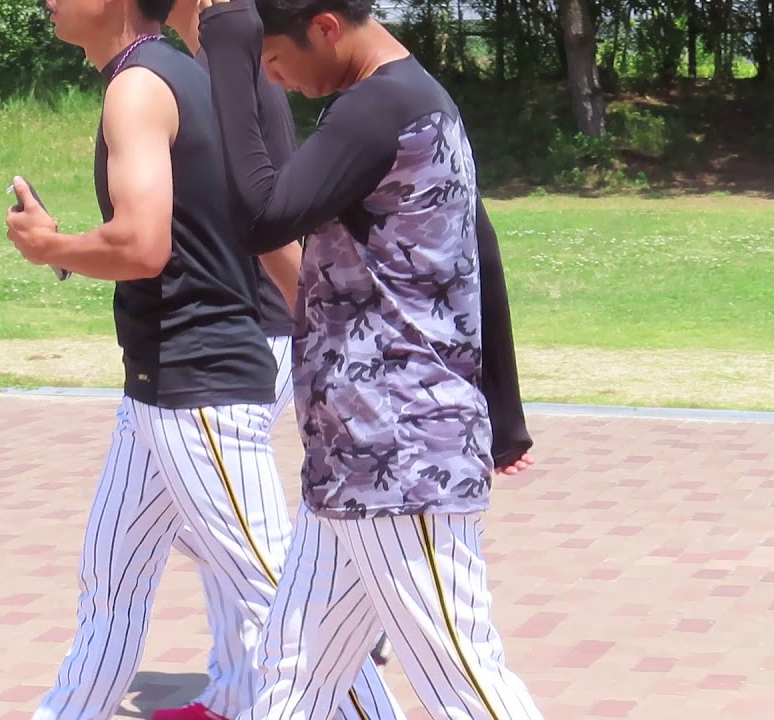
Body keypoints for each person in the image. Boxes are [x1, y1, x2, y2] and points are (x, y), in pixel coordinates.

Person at [3, 0, 405, 717]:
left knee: (279, 601)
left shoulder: (139, 86)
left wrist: (49, 247)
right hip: (158, 386)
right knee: (111, 584)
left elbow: (142, 245)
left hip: (199, 388)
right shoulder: (180, 74)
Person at [196, 0, 546, 717]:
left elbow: (262, 216)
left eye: (275, 59)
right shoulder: (416, 100)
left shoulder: (378, 109)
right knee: (294, 675)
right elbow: (479, 251)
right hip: (355, 459)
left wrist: (227, 46)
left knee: (466, 686)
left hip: (399, 457)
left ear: (326, 26)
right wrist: (504, 414)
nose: (275, 79)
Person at [152, 5, 404, 720]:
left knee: (233, 528)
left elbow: (269, 211)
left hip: (251, 321)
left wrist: (309, 318)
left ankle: (351, 611)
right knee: (207, 520)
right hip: (227, 324)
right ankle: (238, 689)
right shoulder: (204, 65)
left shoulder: (239, 67)